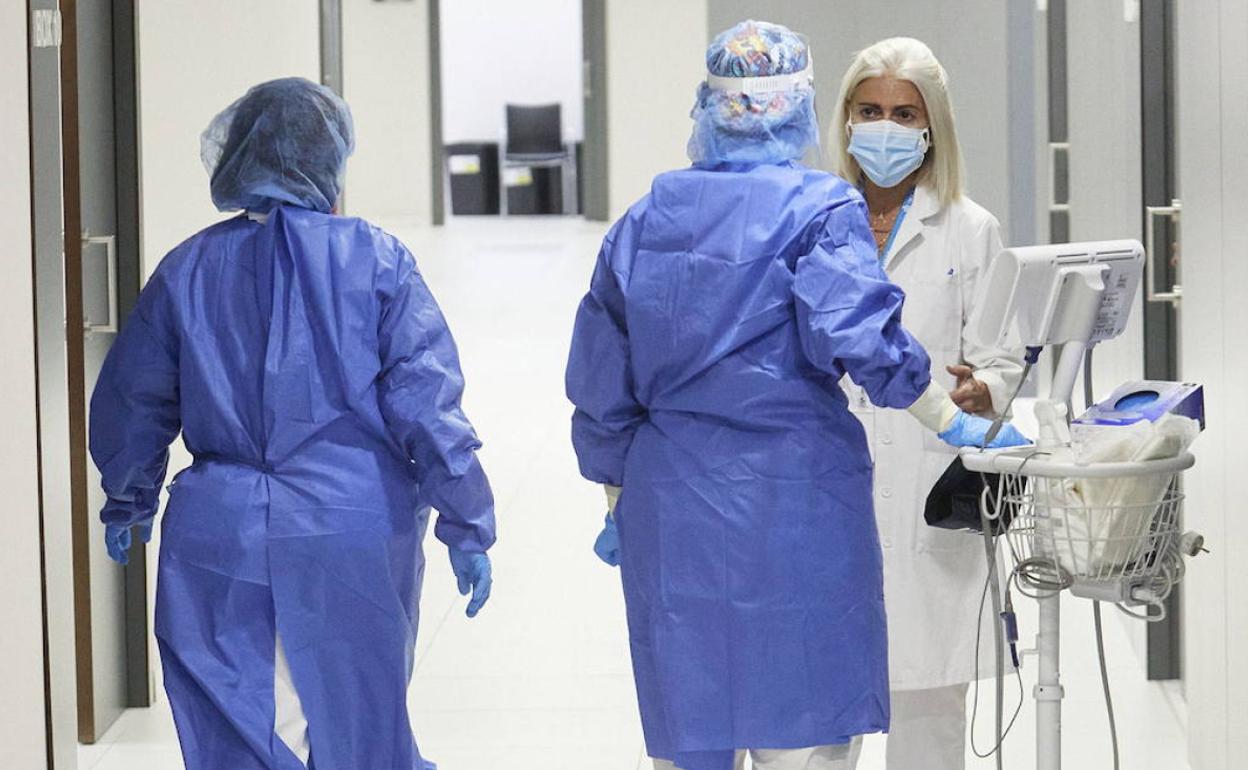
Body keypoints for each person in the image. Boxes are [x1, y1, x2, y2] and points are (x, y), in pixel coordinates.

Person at [565, 21, 1027, 770]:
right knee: (801, 731)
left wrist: (617, 494)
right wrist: (954, 422)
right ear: (803, 108)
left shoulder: (645, 221)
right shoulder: (818, 211)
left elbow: (598, 381)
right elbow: (864, 338)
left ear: (709, 105)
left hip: (673, 508)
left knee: (694, 722)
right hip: (794, 505)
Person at [89, 77, 495, 770]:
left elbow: (135, 399)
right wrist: (466, 520)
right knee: (356, 724)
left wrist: (129, 497)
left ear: (238, 156)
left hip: (221, 533)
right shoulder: (377, 260)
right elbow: (428, 405)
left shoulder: (186, 270)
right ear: (331, 161)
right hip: (352, 527)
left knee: (237, 723)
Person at [828, 37, 1026, 770]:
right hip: (830, 483)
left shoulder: (970, 229)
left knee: (930, 714)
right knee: (822, 709)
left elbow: (1003, 355)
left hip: (927, 484)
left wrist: (988, 388)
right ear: (845, 120)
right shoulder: (816, 220)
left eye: (904, 113)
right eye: (870, 110)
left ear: (931, 125)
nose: (886, 127)